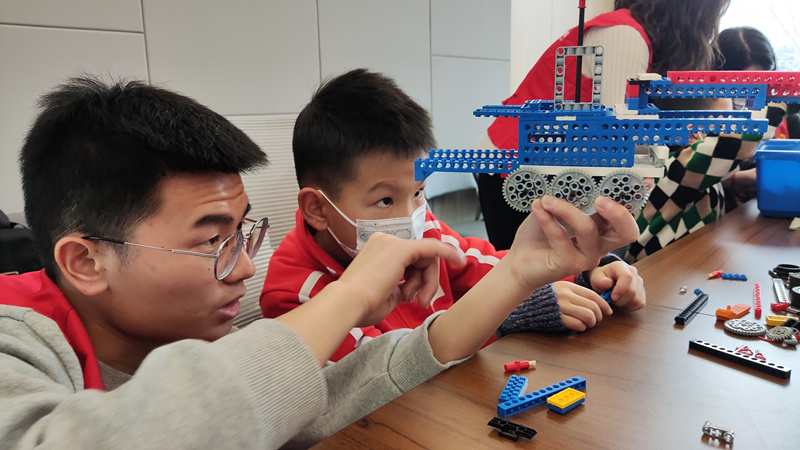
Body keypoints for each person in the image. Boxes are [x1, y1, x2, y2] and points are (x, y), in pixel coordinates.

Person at [0, 76, 639, 448]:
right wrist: (350, 295)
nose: (243, 269)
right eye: (210, 240)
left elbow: (361, 379)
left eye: (243, 233)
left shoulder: (191, 339)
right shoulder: (14, 346)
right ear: (85, 262)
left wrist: (521, 271)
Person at [260, 69, 645, 363]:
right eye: (384, 201)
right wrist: (509, 313)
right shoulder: (296, 297)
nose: (411, 217)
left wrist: (584, 274)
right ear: (318, 209)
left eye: (418, 192)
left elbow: (484, 264)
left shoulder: (422, 226)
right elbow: (383, 375)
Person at [478, 0, 732, 251]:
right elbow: (619, 132)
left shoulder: (627, 32)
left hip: (539, 161)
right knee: (532, 266)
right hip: (518, 164)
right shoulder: (624, 35)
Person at [716, 26, 778, 211]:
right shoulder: (702, 119)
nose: (752, 95)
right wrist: (734, 179)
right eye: (743, 86)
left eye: (762, 83)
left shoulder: (782, 117)